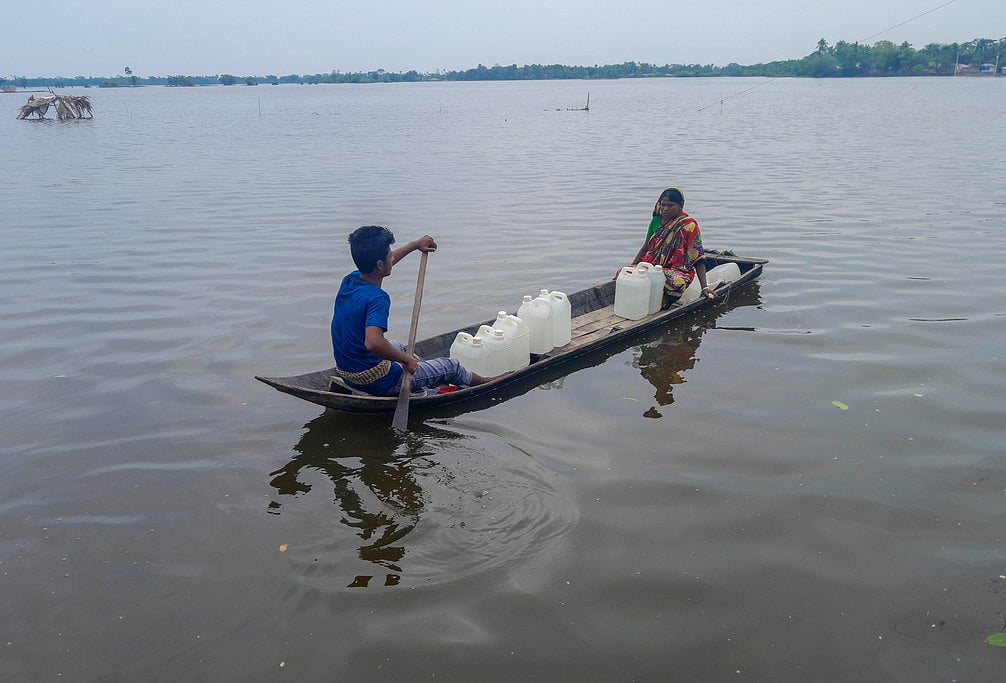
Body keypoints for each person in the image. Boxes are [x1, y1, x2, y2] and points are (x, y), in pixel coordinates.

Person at [330, 225, 502, 396]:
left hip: (348, 372)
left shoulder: (350, 280)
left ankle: (421, 369)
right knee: (452, 367)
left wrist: (414, 245)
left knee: (398, 346)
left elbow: (386, 261)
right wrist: (406, 361)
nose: (393, 257)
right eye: (390, 255)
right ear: (380, 265)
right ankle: (486, 382)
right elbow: (373, 343)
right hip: (378, 381)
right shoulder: (377, 298)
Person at [628, 187, 714, 308]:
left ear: (681, 205)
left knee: (675, 282)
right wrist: (630, 267)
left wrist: (704, 287)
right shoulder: (655, 221)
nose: (665, 209)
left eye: (670, 205)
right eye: (663, 205)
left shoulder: (689, 226)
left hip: (677, 270)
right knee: (625, 273)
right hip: (652, 265)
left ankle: (663, 302)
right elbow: (645, 247)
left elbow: (698, 258)